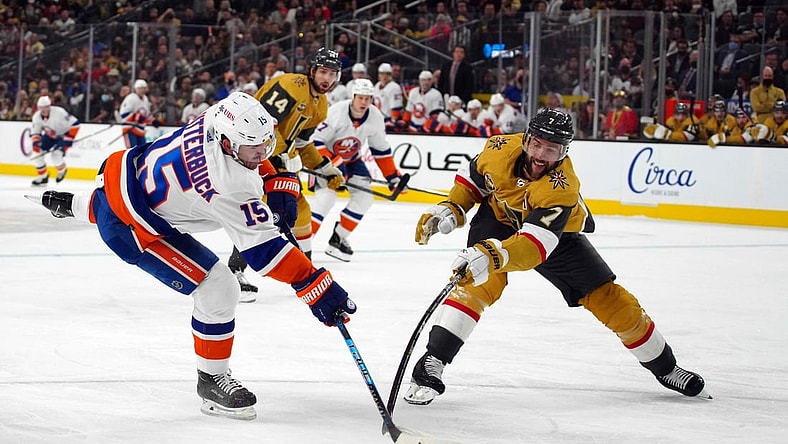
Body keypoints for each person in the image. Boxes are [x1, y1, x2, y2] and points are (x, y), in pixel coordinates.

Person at [27, 92, 356, 421]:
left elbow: (255, 148)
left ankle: (69, 204)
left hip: (126, 176)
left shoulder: (221, 113)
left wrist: (271, 177)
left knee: (102, 204)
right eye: (252, 148)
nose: (262, 153)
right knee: (219, 287)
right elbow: (264, 253)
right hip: (131, 227)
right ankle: (211, 380)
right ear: (227, 144)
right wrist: (315, 285)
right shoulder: (230, 185)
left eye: (266, 143)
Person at [404, 108, 709, 407]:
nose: (541, 156)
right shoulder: (498, 147)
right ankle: (432, 361)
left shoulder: (561, 187)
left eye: (552, 150)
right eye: (537, 145)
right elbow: (473, 181)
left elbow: (534, 247)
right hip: (499, 218)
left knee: (610, 299)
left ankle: (666, 367)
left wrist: (491, 255)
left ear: (564, 152)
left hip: (554, 235)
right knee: (477, 285)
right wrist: (452, 208)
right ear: (526, 139)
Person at [227, 47, 345, 301]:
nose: (326, 78)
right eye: (323, 72)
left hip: (275, 157)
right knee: (259, 211)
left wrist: (324, 167)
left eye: (332, 74)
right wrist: (281, 155)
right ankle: (234, 272)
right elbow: (262, 123)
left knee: (300, 210)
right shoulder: (291, 85)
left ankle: (307, 270)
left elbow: (301, 143)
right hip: (252, 151)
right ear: (312, 70)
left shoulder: (320, 105)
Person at [309, 79, 404, 261]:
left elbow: (380, 149)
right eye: (360, 98)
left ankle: (338, 239)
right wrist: (334, 167)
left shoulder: (375, 117)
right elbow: (315, 141)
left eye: (368, 98)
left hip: (352, 160)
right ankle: (302, 243)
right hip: (324, 160)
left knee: (364, 198)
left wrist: (393, 177)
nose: (364, 102)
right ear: (353, 97)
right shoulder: (336, 112)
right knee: (326, 199)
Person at [29, 95, 80, 185]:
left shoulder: (59, 112)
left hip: (63, 136)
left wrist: (68, 139)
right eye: (41, 107)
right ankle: (43, 177)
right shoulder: (36, 117)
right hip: (49, 136)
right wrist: (36, 143)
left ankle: (62, 170)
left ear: (50, 106)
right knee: (36, 154)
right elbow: (35, 132)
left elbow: (75, 124)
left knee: (56, 155)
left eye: (46, 107)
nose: (43, 109)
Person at [119, 79, 158, 150]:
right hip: (130, 129)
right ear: (136, 89)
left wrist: (153, 121)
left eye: (144, 88)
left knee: (142, 150)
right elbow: (123, 114)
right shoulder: (131, 98)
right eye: (141, 88)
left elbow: (146, 113)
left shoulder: (145, 98)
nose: (143, 90)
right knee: (132, 150)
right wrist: (137, 117)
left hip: (140, 129)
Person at [373, 62, 404, 133]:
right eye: (382, 74)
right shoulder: (377, 85)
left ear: (391, 75)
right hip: (377, 120)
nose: (384, 76)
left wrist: (392, 122)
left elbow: (396, 108)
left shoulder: (394, 87)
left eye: (387, 74)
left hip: (388, 121)